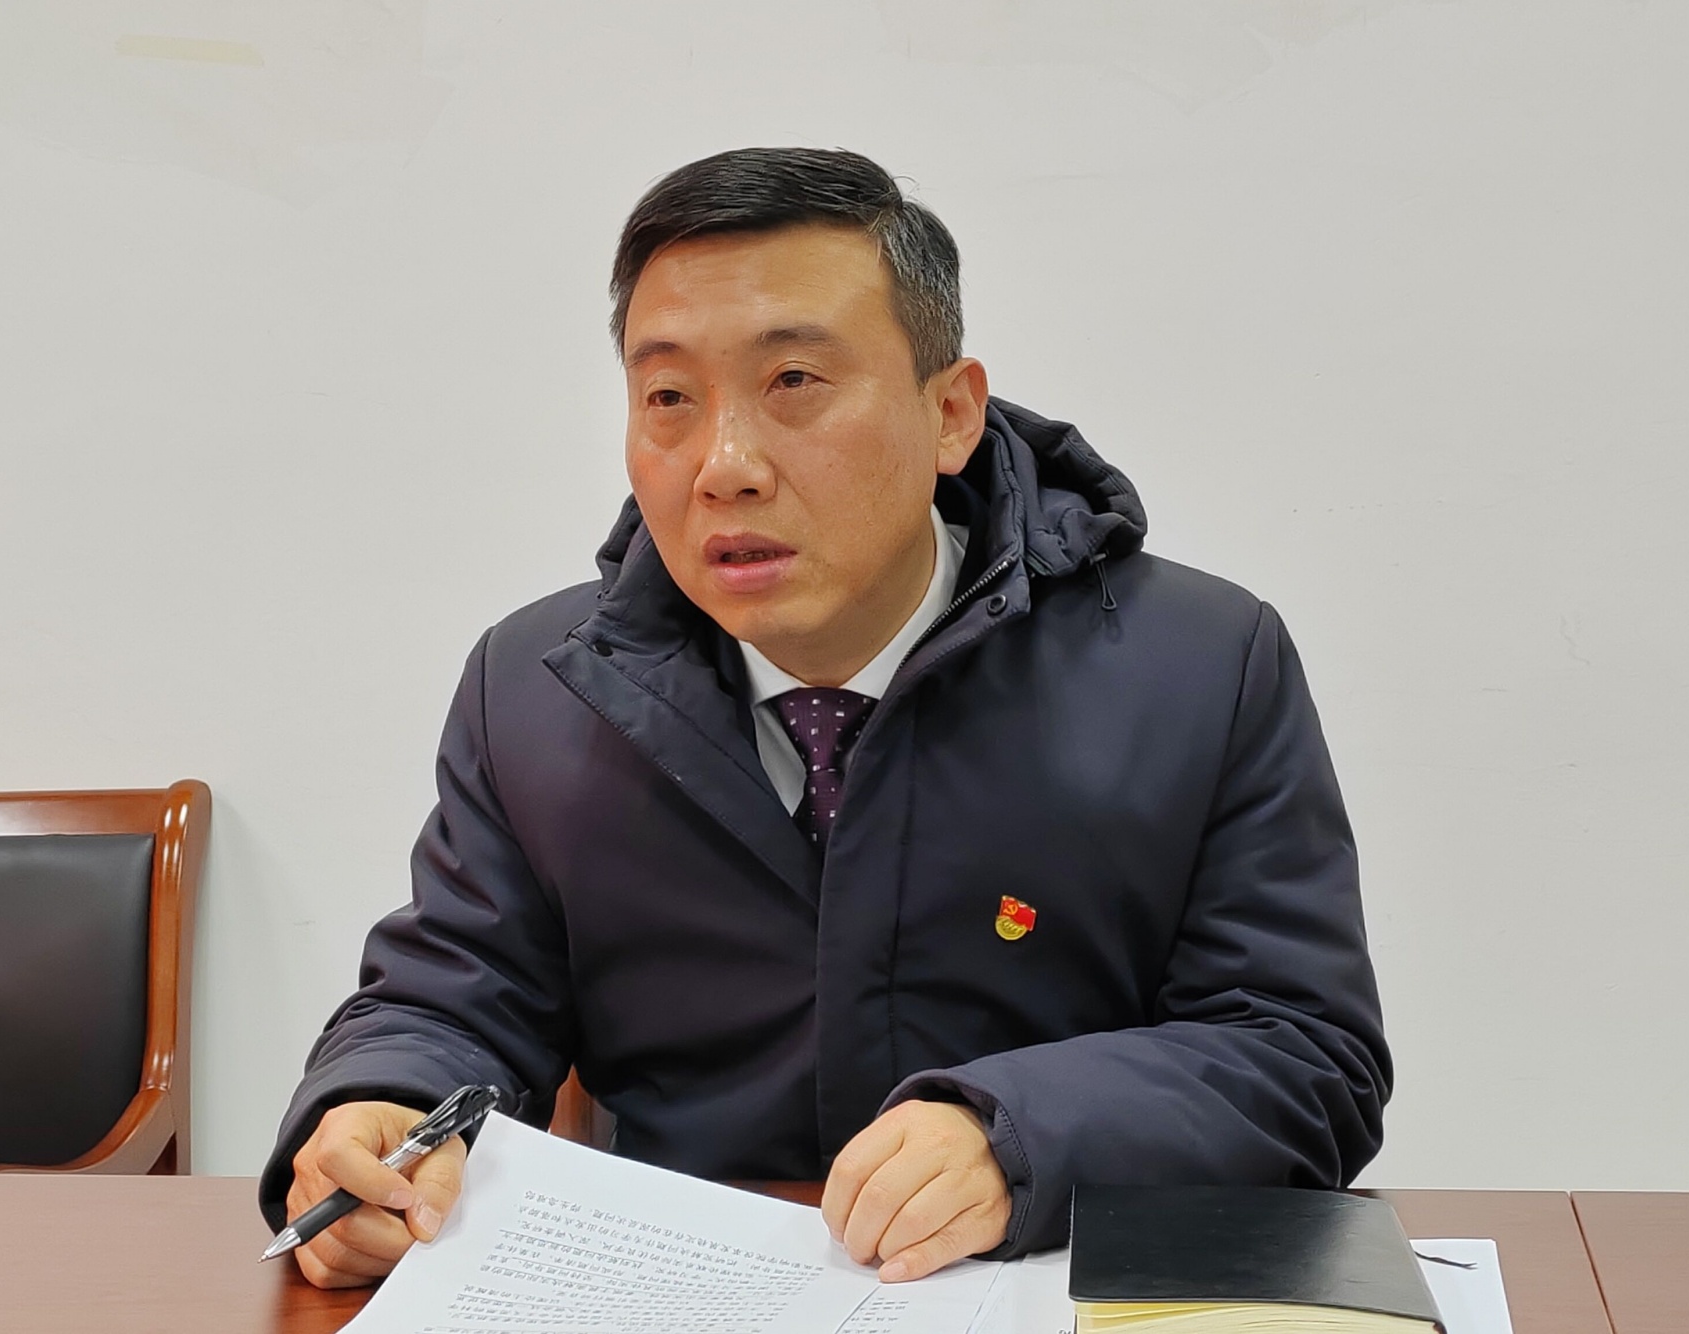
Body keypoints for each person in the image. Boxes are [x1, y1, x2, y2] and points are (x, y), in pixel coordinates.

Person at [260, 146, 1391, 1291]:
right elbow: (453, 993)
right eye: (668, 399)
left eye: (793, 380)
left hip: (1055, 1284)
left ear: (949, 413)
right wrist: (378, 1105)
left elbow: (1301, 1055)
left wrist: (1020, 1134)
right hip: (673, 1296)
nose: (724, 465)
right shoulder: (535, 690)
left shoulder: (1194, 668)